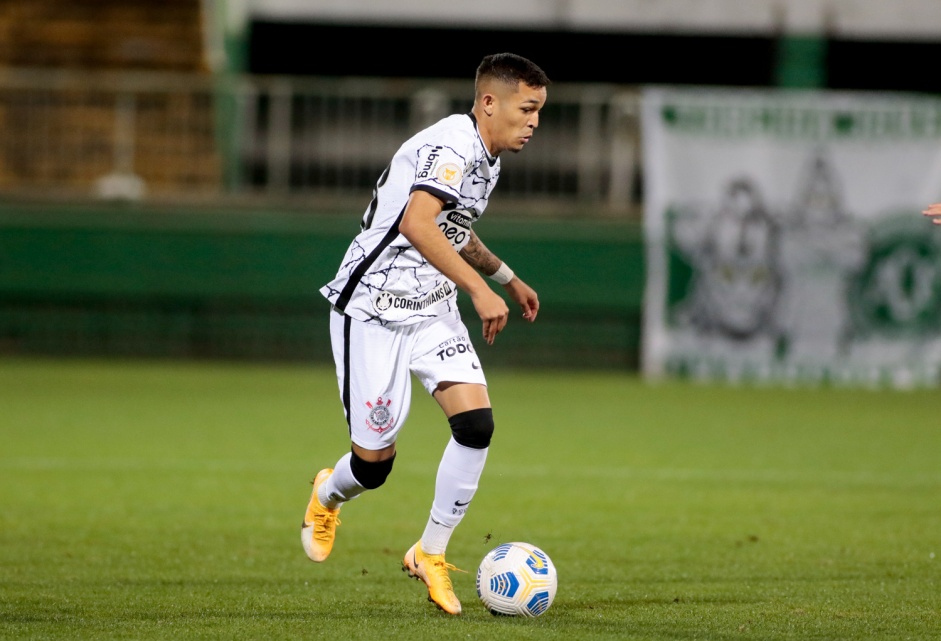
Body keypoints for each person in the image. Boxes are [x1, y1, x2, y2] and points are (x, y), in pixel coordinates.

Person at [301, 52, 550, 616]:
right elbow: (417, 222)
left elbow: (453, 231)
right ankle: (326, 494)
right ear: (490, 103)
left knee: (476, 424)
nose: (535, 121)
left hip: (431, 309)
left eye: (540, 111)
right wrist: (478, 292)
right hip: (372, 310)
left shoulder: (488, 158)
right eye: (527, 108)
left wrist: (506, 278)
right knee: (373, 465)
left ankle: (429, 552)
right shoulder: (451, 146)